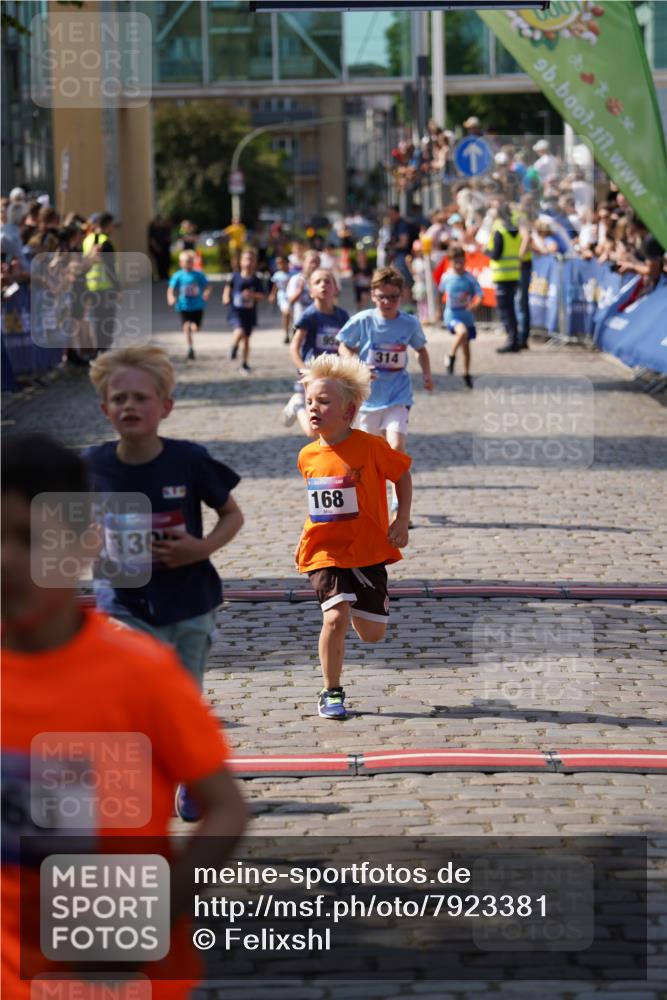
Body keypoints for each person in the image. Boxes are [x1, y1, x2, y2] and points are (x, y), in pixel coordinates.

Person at [1, 432, 248, 998]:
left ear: (86, 544)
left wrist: (158, 911)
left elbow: (226, 810)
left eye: (30, 539)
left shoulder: (141, 674)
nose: (6, 560)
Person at [85, 346, 244, 814]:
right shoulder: (91, 466)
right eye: (119, 399)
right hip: (124, 603)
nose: (129, 406)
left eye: (141, 397)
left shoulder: (188, 460)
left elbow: (232, 515)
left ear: (165, 407)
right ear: (105, 410)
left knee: (182, 699)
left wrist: (201, 548)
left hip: (190, 602)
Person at [295, 354, 412, 719]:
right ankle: (331, 690)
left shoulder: (371, 447)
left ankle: (363, 607)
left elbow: (402, 476)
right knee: (335, 617)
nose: (314, 408)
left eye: (324, 401)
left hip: (368, 550)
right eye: (309, 402)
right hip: (324, 551)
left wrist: (401, 519)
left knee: (372, 634)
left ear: (348, 411)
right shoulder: (307, 455)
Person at [337, 266, 432, 513]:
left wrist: (427, 375)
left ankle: (398, 502)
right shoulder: (364, 320)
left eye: (393, 297)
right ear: (372, 295)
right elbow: (343, 345)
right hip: (369, 399)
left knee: (396, 446)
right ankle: (373, 501)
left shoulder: (409, 323)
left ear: (402, 295)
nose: (387, 302)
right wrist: (356, 364)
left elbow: (421, 350)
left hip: (398, 396)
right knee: (371, 454)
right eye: (382, 297)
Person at [282, 268, 349, 436]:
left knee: (334, 423)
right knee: (313, 430)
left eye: (327, 281)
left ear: (335, 288)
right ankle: (298, 404)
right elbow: (294, 347)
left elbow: (348, 346)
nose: (323, 285)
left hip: (333, 376)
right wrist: (304, 370)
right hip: (312, 375)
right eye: (317, 282)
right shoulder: (309, 316)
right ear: (311, 291)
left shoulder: (342, 316)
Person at [438, 245, 482, 388]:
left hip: (466, 316)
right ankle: (450, 355)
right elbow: (440, 292)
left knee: (466, 349)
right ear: (450, 262)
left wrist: (475, 305)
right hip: (452, 315)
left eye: (461, 261)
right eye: (455, 262)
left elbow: (479, 294)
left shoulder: (469, 278)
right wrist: (439, 311)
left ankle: (466, 374)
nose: (458, 265)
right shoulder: (447, 277)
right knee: (462, 332)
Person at [223, 247, 265, 375]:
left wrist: (252, 295)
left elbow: (262, 296)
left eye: (251, 260)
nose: (248, 262)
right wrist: (225, 297)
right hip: (236, 311)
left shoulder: (256, 280)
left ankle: (244, 363)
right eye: (246, 259)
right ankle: (234, 346)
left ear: (255, 263)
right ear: (241, 261)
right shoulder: (235, 276)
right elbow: (228, 287)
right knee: (239, 330)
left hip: (249, 313)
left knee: (246, 339)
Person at [81, 211, 119, 352]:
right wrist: (118, 288)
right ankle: (104, 349)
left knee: (96, 319)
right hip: (106, 287)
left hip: (90, 286)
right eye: (112, 226)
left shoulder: (87, 240)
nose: (113, 229)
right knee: (107, 320)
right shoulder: (105, 242)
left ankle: (98, 350)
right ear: (107, 226)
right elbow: (110, 268)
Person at [487, 204, 522, 353]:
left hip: (502, 275)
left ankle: (511, 340)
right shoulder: (516, 231)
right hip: (514, 274)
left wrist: (486, 251)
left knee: (504, 309)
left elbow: (495, 254)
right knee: (511, 309)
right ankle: (514, 339)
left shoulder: (500, 232)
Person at [167, 249, 210, 360]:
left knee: (195, 328)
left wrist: (206, 293)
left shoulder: (198, 274)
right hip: (184, 305)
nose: (189, 264)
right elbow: (171, 288)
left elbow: (207, 286)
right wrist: (170, 297)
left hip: (197, 306)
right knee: (186, 326)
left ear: (193, 262)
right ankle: (190, 348)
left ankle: (193, 328)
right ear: (181, 263)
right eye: (186, 261)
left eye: (191, 261)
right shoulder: (178, 275)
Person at [286, 249, 321, 330]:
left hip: (319, 322)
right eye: (311, 262)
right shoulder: (296, 279)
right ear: (303, 263)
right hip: (301, 322)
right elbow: (290, 301)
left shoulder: (322, 280)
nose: (314, 265)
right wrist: (300, 290)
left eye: (317, 262)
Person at [269, 253, 292, 344]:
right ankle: (286, 333)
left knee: (293, 315)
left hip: (293, 296)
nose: (279, 265)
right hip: (283, 296)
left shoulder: (293, 273)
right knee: (286, 313)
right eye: (277, 263)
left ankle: (293, 331)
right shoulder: (277, 275)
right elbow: (275, 286)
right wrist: (272, 295)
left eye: (281, 263)